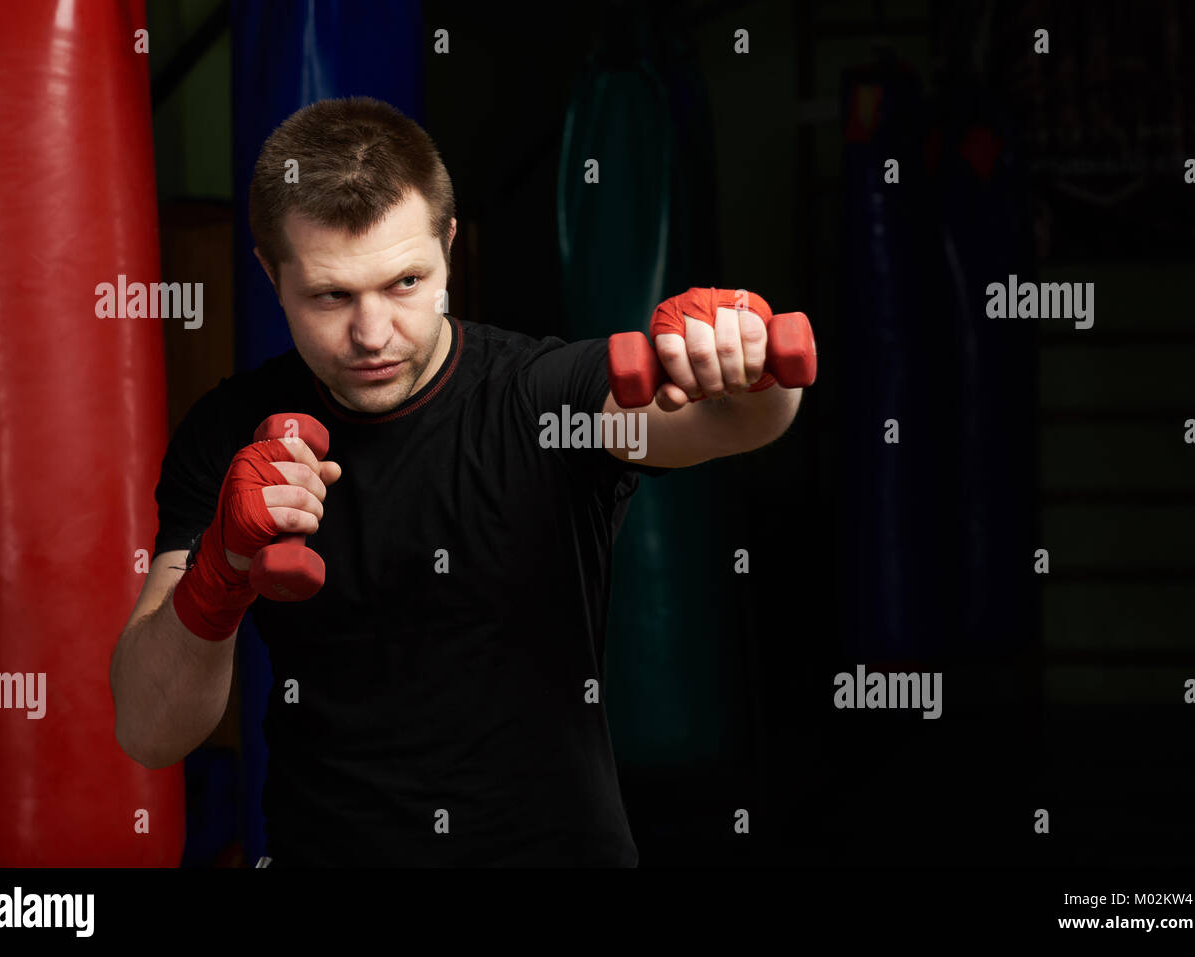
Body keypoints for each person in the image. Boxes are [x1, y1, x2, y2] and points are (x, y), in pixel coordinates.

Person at [109, 96, 802, 866]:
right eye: (331, 296)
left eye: (405, 283)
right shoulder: (229, 429)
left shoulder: (542, 395)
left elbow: (735, 423)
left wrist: (745, 364)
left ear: (448, 244)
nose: (372, 335)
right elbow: (148, 729)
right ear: (270, 273)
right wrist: (220, 570)